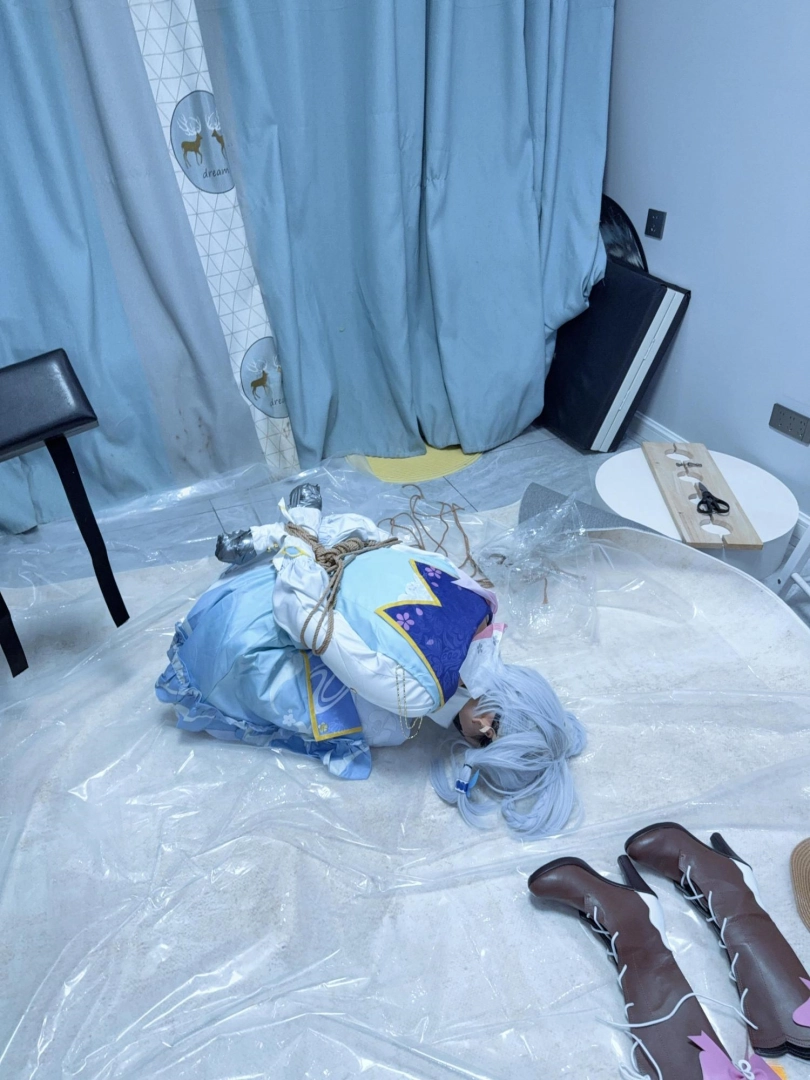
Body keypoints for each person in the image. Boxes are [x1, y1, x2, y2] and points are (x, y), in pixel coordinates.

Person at [156, 484, 585, 837]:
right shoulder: (418, 693)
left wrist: (305, 540)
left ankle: (284, 535)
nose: (476, 740)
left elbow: (387, 547)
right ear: (491, 726)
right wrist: (299, 540)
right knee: (370, 723)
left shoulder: (483, 604)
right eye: (489, 740)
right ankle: (290, 535)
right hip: (238, 618)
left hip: (329, 553)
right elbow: (304, 619)